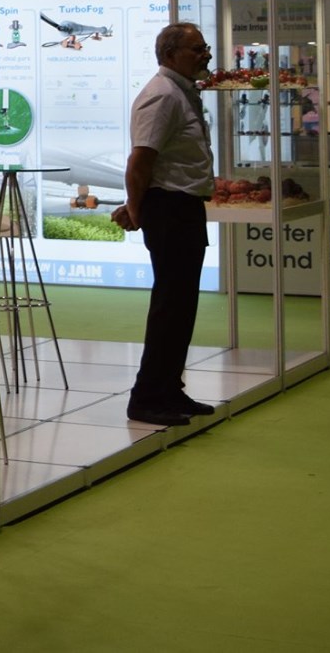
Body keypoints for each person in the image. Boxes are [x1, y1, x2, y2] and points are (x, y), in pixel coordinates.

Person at [113, 22, 217, 428]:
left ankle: (170, 388)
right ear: (171, 54)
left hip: (183, 206)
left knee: (182, 306)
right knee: (170, 306)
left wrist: (137, 205)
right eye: (197, 49)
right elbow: (140, 162)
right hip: (169, 208)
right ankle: (146, 397)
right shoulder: (162, 95)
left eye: (205, 47)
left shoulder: (182, 91)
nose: (206, 54)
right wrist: (137, 210)